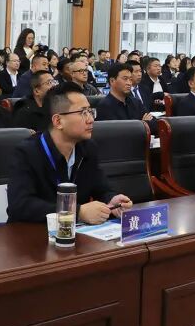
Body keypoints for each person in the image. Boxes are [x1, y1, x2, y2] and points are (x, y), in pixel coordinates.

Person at [7, 82, 132, 224]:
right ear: (58, 121)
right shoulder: (27, 152)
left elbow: (101, 187)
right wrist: (77, 212)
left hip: (73, 231)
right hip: (32, 232)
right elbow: (20, 206)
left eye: (90, 111)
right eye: (83, 113)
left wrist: (112, 199)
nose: (91, 119)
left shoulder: (87, 148)